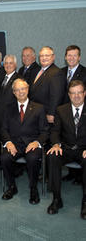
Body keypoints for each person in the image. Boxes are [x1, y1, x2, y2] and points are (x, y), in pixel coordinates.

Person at [0, 79, 49, 204]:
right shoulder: (8, 108)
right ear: (14, 92)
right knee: (5, 158)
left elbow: (45, 131)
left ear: (27, 89)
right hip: (14, 144)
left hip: (31, 144)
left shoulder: (39, 108)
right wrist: (8, 142)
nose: (20, 92)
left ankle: (33, 189)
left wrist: (37, 142)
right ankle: (11, 186)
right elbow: (3, 129)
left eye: (23, 89)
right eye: (17, 90)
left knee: (32, 159)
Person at [47, 80, 86, 219]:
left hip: (84, 150)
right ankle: (57, 199)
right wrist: (56, 144)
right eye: (73, 93)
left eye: (79, 93)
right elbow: (55, 131)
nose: (76, 96)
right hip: (67, 148)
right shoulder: (61, 110)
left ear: (84, 93)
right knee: (52, 156)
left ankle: (85, 201)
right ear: (69, 95)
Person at [61, 45, 86, 183]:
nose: (71, 58)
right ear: (65, 57)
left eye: (74, 55)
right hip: (64, 112)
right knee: (68, 139)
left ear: (79, 57)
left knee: (79, 140)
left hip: (80, 111)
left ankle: (80, 176)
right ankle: (72, 174)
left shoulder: (85, 72)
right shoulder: (61, 71)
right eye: (69, 55)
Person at [29, 46, 65, 124]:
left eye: (47, 55)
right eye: (42, 56)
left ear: (53, 57)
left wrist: (52, 113)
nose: (44, 58)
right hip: (37, 113)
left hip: (47, 115)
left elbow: (56, 95)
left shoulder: (56, 72)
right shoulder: (39, 71)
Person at [0, 55, 20, 124]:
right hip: (0, 116)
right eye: (6, 63)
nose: (8, 65)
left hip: (12, 117)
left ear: (15, 65)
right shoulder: (1, 78)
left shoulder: (19, 79)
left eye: (11, 63)